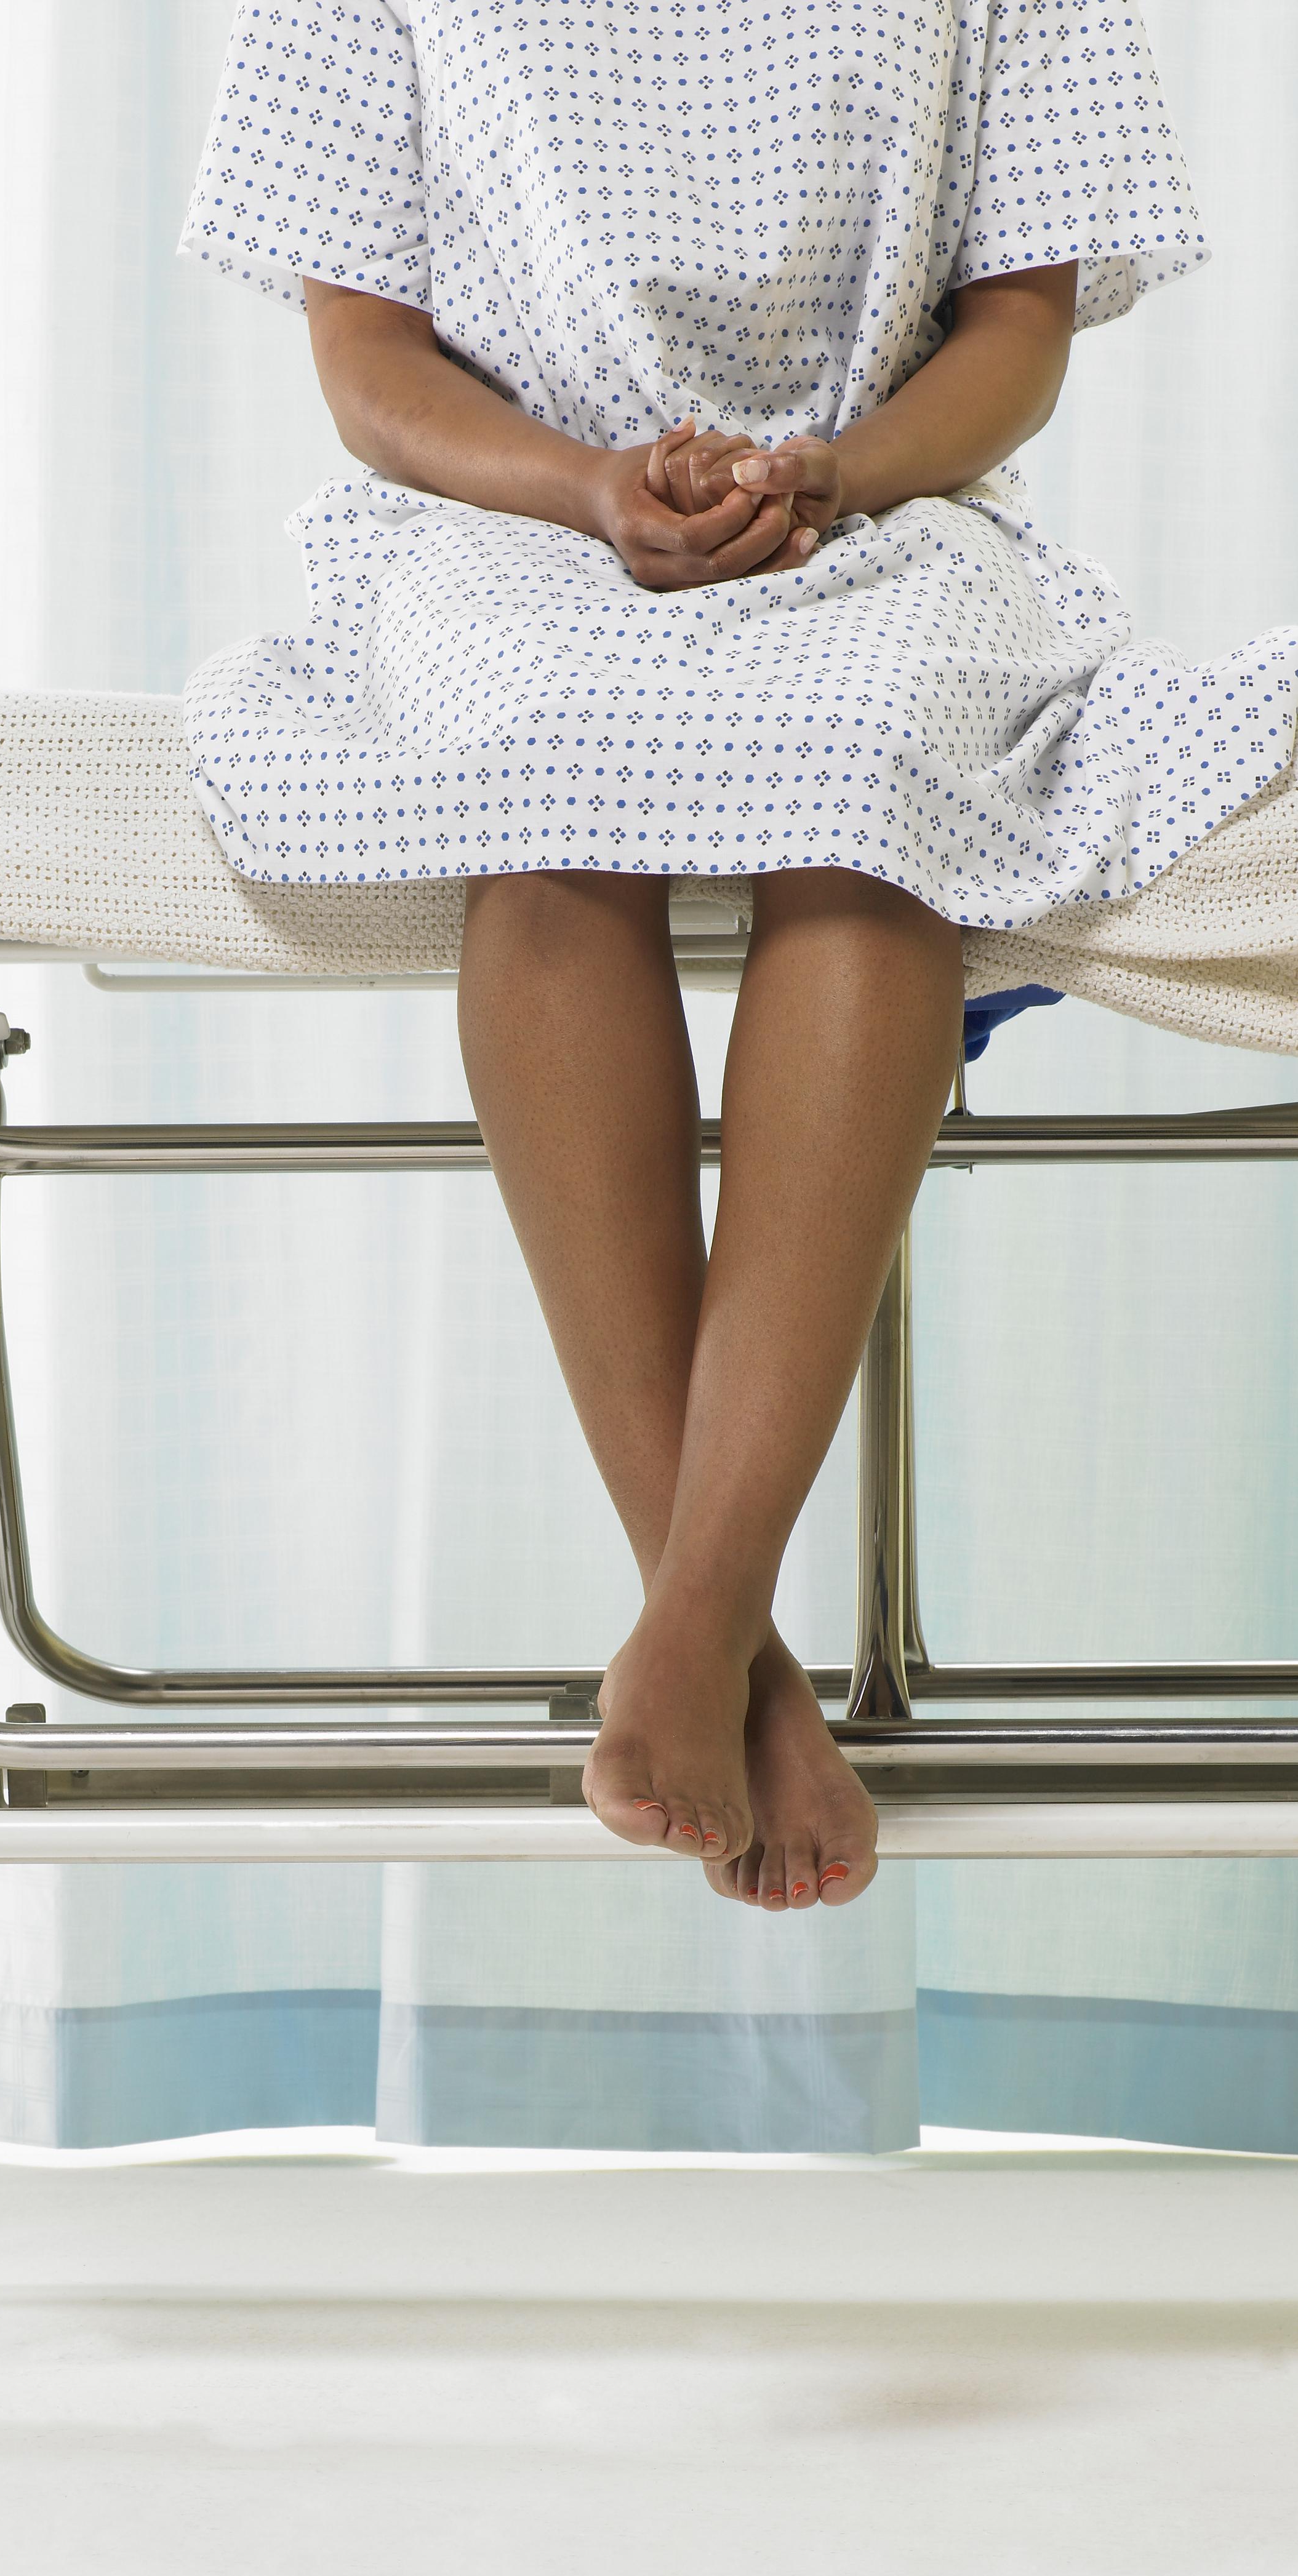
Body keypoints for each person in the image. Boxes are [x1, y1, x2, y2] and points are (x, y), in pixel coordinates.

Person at [180, 0, 1298, 1914]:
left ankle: (695, 1626)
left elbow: (1012, 340)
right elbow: (365, 363)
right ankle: (723, 1654)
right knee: (540, 806)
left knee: (873, 807)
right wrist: (586, 488)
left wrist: (833, 480)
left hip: (878, 512)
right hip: (501, 519)